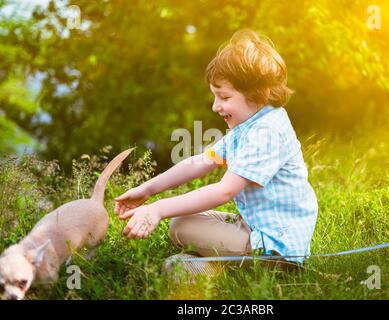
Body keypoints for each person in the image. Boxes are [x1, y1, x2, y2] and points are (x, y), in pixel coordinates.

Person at [114, 29, 318, 278]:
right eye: (215, 96)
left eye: (224, 97)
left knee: (181, 226)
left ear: (259, 94)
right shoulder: (249, 124)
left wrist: (158, 209)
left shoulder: (267, 131)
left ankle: (231, 270)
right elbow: (201, 162)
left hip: (275, 251)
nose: (215, 106)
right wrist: (148, 190)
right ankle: (211, 265)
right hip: (255, 228)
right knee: (183, 220)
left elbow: (225, 191)